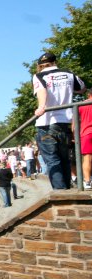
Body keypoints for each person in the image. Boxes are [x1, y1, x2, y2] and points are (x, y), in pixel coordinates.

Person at [32, 51, 87, 189]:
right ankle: (67, 189)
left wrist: (41, 107)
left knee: (52, 159)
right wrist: (66, 90)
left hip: (47, 123)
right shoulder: (69, 73)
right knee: (64, 159)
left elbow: (42, 91)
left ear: (40, 66)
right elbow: (82, 88)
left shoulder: (39, 76)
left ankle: (60, 191)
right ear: (55, 62)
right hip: (65, 122)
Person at [78, 89, 92, 189]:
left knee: (87, 158)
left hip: (86, 133)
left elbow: (74, 122)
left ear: (88, 94)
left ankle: (87, 182)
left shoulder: (81, 105)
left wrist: (75, 135)